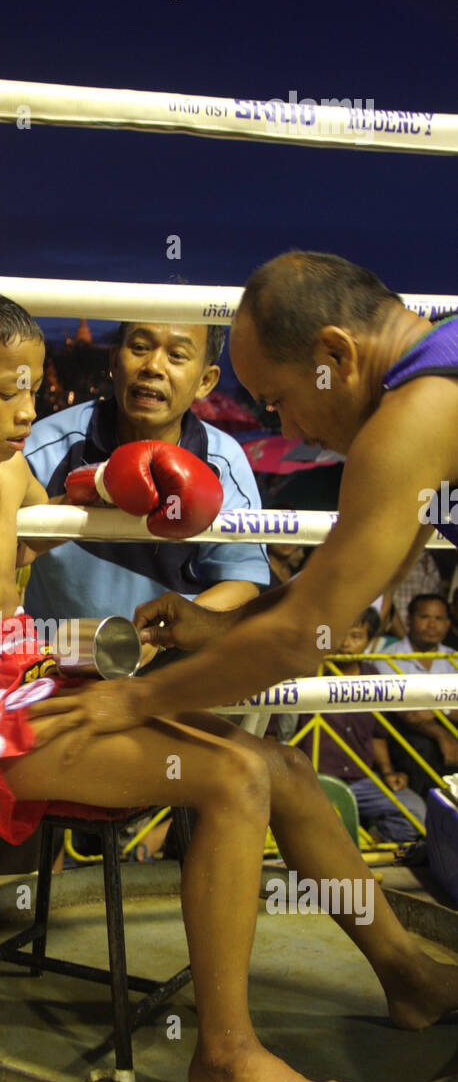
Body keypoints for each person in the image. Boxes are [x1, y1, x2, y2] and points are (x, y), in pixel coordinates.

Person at [0, 286, 458, 1082]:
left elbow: (72, 501)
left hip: (36, 667)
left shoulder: (8, 472)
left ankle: (407, 976)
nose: (26, 410)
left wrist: (129, 482)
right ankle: (224, 1056)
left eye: (34, 390)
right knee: (231, 781)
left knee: (287, 769)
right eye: (7, 391)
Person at [29, 252, 458, 751]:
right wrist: (220, 623)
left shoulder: (418, 414)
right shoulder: (436, 372)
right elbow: (355, 586)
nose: (292, 431)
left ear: (336, 355)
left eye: (279, 401)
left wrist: (130, 701)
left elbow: (299, 639)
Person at [22, 321, 270, 638]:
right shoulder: (47, 445)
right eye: (139, 347)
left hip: (170, 672)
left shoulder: (224, 463)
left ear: (205, 381)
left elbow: (242, 579)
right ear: (114, 361)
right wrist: (97, 488)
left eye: (177, 354)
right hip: (54, 665)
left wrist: (172, 630)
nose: (153, 366)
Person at [297, 609, 427, 843]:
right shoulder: (309, 674)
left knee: (415, 812)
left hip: (361, 780)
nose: (345, 644)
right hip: (314, 780)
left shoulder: (372, 674)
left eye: (356, 636)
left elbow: (377, 734)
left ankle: (361, 846)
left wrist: (387, 772)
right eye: (339, 635)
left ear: (370, 642)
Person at [375, 593, 458, 796]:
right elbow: (407, 713)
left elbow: (422, 710)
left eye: (439, 619)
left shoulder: (454, 658)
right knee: (423, 748)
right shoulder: (387, 659)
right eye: (425, 617)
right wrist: (442, 735)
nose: (432, 625)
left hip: (451, 729)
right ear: (409, 619)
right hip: (405, 735)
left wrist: (438, 712)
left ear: (448, 623)